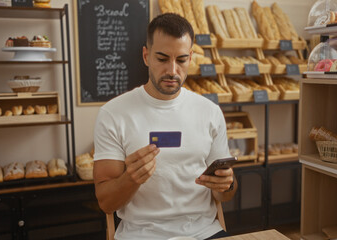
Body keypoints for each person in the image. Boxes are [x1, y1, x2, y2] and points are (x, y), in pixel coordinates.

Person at [93, 13, 237, 240]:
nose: (172, 70)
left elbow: (224, 196)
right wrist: (131, 178)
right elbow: (106, 203)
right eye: (162, 59)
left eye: (181, 60)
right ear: (146, 56)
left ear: (190, 58)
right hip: (140, 235)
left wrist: (226, 185)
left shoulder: (209, 112)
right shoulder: (113, 114)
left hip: (203, 232)